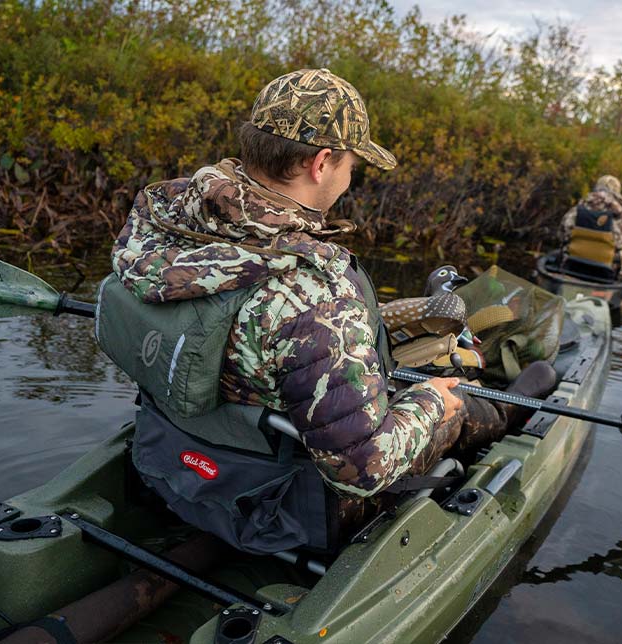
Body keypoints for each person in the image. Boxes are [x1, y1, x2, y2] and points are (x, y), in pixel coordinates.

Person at [109, 69, 554, 538]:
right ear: (321, 163)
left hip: (170, 451)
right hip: (279, 501)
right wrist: (430, 401)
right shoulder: (315, 291)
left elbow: (265, 328)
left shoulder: (161, 218)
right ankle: (508, 408)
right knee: (453, 400)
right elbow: (361, 471)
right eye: (351, 164)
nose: (351, 176)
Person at [560, 175, 622, 278]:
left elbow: (561, 237)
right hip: (607, 277)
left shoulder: (573, 213)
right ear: (616, 194)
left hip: (571, 270)